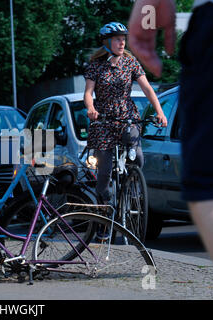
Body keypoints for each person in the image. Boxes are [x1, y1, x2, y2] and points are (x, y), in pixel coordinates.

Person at [128, 0, 213, 274]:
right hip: (110, 130)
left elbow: (148, 90)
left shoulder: (131, 68)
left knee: (209, 187)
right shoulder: (97, 69)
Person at [83, 22, 167, 206]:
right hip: (103, 120)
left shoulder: (130, 63)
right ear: (106, 42)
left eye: (123, 39)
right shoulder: (96, 66)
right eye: (117, 40)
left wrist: (160, 112)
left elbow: (148, 90)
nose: (122, 43)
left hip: (126, 115)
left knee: (137, 156)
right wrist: (91, 109)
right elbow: (88, 93)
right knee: (104, 172)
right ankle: (104, 210)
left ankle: (133, 185)